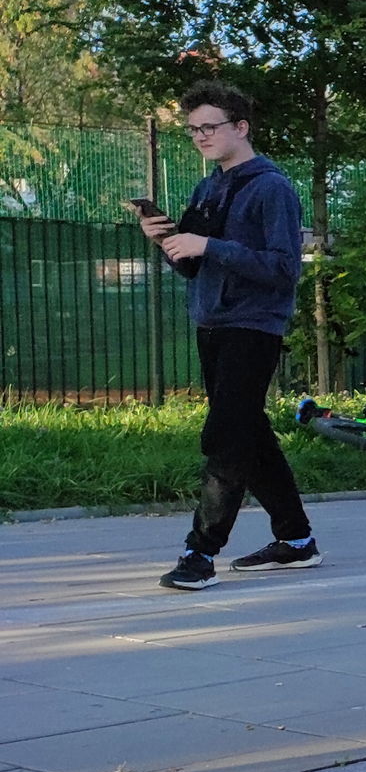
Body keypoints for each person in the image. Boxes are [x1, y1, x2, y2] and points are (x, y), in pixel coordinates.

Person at [143, 82, 321, 589]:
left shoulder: (272, 188)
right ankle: (297, 539)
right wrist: (168, 241)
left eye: (210, 127)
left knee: (224, 437)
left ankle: (200, 552)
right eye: (194, 129)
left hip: (254, 325)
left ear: (240, 128)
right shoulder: (207, 188)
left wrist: (208, 244)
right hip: (211, 323)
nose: (200, 136)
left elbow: (285, 269)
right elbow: (193, 269)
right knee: (247, 430)